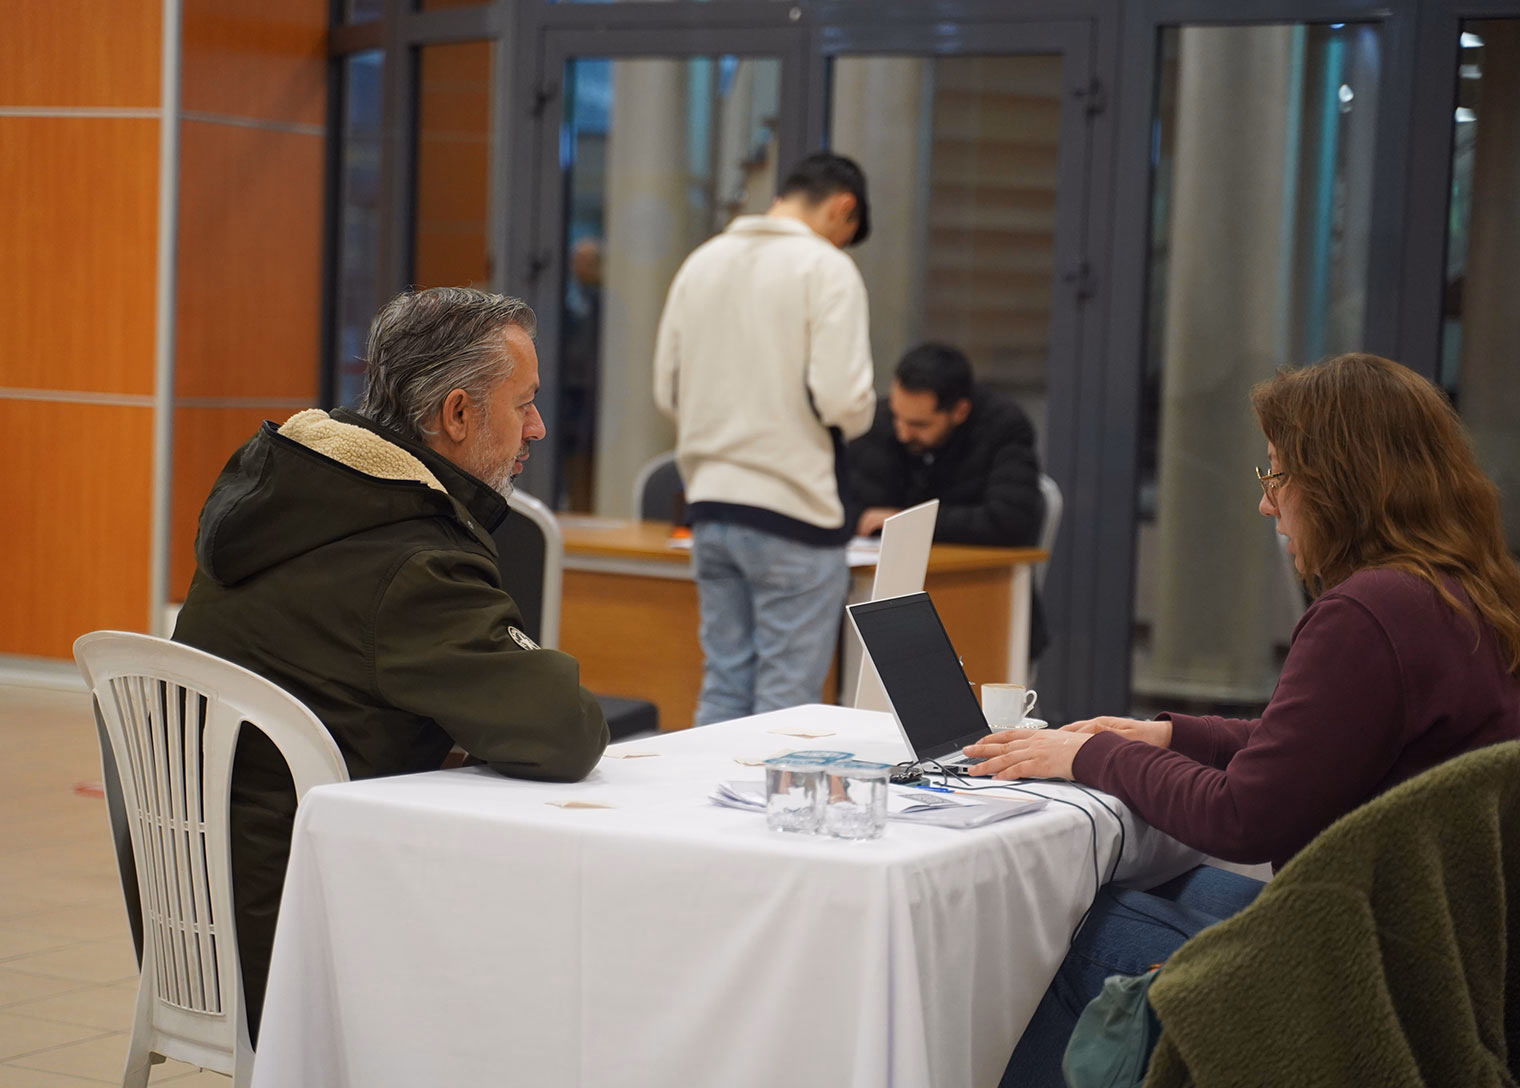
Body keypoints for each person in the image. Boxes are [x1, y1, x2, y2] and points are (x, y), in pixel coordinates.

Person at [964, 353, 1520, 1087]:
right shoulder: (1464, 593)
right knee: (1171, 889)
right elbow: (1322, 747)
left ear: (1341, 482)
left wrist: (1086, 759)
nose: (1268, 505)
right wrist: (1168, 736)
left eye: (1277, 476)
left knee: (1054, 936)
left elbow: (1243, 820)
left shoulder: (1366, 613)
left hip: (1368, 971)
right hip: (1444, 955)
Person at [173, 287, 610, 1038]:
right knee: (571, 973)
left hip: (195, 905)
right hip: (301, 934)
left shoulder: (291, 492)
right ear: (458, 415)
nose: (538, 427)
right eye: (524, 403)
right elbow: (565, 731)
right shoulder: (409, 554)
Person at [653, 151, 877, 726]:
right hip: (792, 509)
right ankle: (770, 820)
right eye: (848, 235)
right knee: (786, 701)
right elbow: (843, 399)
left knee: (724, 685)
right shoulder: (826, 269)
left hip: (709, 509)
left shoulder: (701, 262)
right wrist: (851, 423)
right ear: (842, 207)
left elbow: (666, 391)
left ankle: (705, 817)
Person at [847, 341, 1044, 546]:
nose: (903, 434)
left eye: (919, 425)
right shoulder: (879, 420)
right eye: (897, 416)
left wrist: (908, 522)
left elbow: (1009, 520)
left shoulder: (1003, 428)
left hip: (976, 570)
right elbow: (843, 503)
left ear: (960, 411)